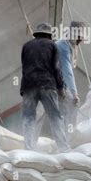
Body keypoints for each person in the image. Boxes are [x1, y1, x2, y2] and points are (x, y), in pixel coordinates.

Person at [20, 22, 70, 152]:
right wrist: (60, 88)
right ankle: (63, 148)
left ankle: (29, 148)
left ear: (37, 34)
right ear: (49, 35)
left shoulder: (26, 46)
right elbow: (56, 68)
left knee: (28, 117)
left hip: (28, 85)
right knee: (55, 116)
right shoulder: (52, 45)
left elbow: (24, 68)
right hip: (47, 85)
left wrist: (22, 89)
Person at [55, 21, 85, 134]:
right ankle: (68, 137)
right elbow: (67, 71)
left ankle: (65, 137)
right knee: (73, 104)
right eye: (79, 36)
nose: (81, 39)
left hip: (56, 82)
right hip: (51, 83)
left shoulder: (70, 45)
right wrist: (74, 93)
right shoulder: (63, 46)